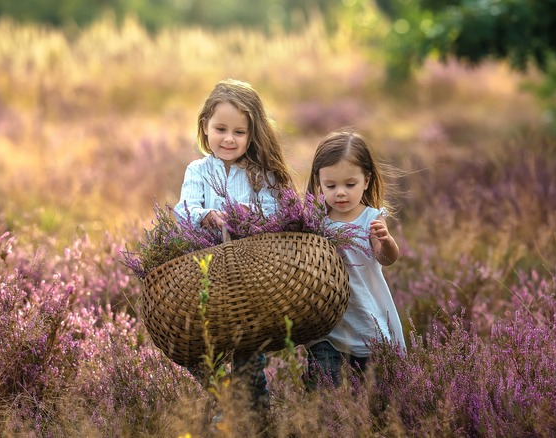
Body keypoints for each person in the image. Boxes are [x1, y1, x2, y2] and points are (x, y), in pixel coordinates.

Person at [174, 78, 294, 413]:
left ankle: (246, 417)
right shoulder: (197, 170)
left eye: (239, 132)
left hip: (249, 280)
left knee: (248, 349)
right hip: (207, 277)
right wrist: (206, 215)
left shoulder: (260, 174)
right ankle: (236, 408)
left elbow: (276, 212)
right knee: (200, 347)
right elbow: (183, 210)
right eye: (221, 129)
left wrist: (251, 214)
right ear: (205, 127)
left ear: (252, 135)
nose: (229, 139)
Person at [304, 129, 406, 388]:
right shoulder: (315, 221)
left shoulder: (370, 218)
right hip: (327, 322)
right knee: (324, 386)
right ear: (318, 183)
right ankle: (323, 424)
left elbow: (385, 259)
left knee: (376, 389)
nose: (340, 193)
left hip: (364, 316)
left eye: (350, 184)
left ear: (367, 181)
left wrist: (387, 242)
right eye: (331, 185)